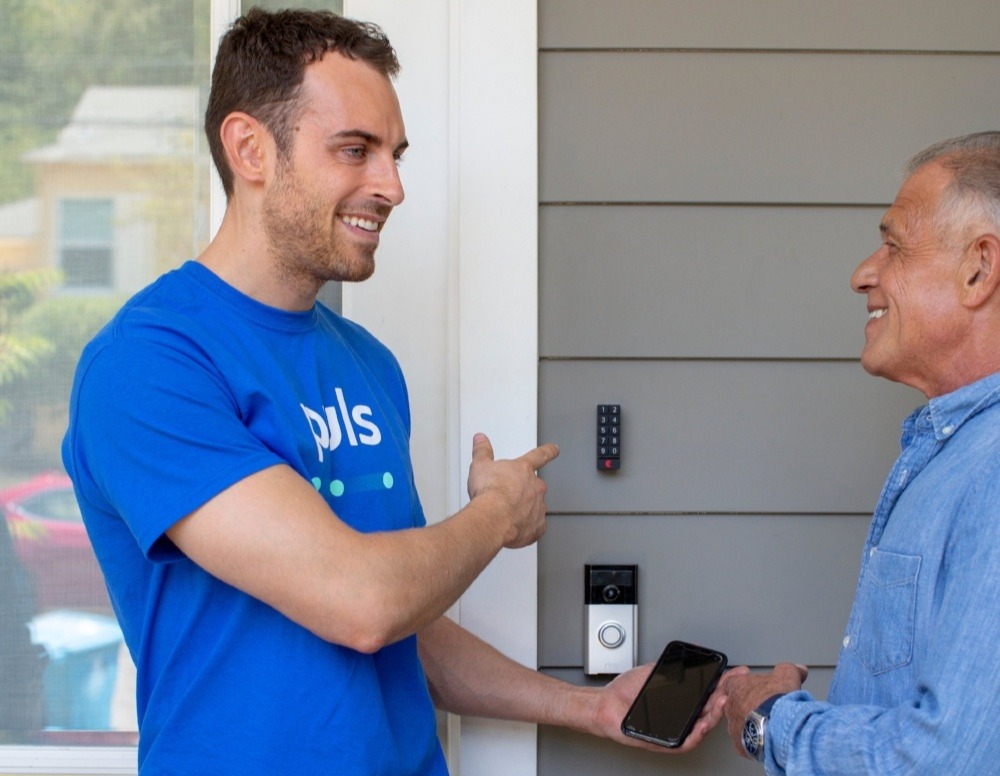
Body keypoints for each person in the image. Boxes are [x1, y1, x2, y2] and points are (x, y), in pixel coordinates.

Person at [62, 8, 728, 773]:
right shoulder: (151, 364)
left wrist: (588, 706)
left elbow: (405, 624)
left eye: (395, 155)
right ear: (250, 148)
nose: (392, 186)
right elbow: (362, 604)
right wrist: (494, 517)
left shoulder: (366, 363)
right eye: (356, 150)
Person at [721, 131, 1000, 774]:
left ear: (979, 269)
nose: (863, 274)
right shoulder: (954, 452)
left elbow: (944, 761)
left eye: (894, 246)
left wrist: (772, 724)